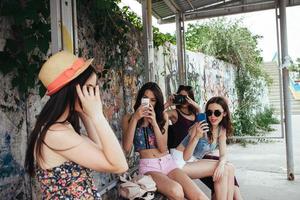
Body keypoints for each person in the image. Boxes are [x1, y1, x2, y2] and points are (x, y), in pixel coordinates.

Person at [24, 51, 128, 199]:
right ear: (73, 89)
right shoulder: (55, 133)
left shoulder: (62, 126)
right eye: (90, 88)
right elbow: (119, 165)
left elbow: (101, 149)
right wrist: (97, 116)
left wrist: (86, 114)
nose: (94, 94)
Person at [122, 82, 208, 200]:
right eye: (145, 99)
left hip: (168, 162)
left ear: (156, 102)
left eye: (153, 100)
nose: (149, 103)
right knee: (176, 191)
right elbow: (126, 148)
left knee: (199, 196)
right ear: (140, 99)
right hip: (149, 167)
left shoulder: (162, 117)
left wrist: (154, 123)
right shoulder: (129, 118)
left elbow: (163, 148)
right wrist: (136, 118)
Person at [165, 86, 243, 200]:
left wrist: (221, 164)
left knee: (229, 167)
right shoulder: (199, 126)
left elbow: (223, 154)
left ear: (224, 113)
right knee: (225, 169)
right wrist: (196, 136)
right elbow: (186, 157)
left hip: (194, 160)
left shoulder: (221, 129)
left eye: (217, 113)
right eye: (209, 112)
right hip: (179, 163)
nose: (212, 116)